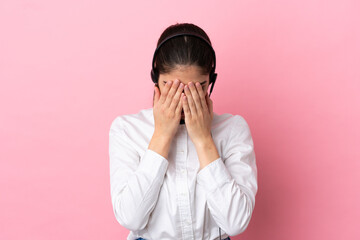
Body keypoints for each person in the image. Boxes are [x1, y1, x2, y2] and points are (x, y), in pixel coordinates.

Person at [109, 23, 258, 240]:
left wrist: (203, 139)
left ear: (211, 81)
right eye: (172, 87)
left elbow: (235, 223)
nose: (184, 100)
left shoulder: (233, 129)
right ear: (155, 78)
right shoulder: (126, 130)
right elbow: (130, 218)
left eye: (196, 88)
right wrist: (161, 135)